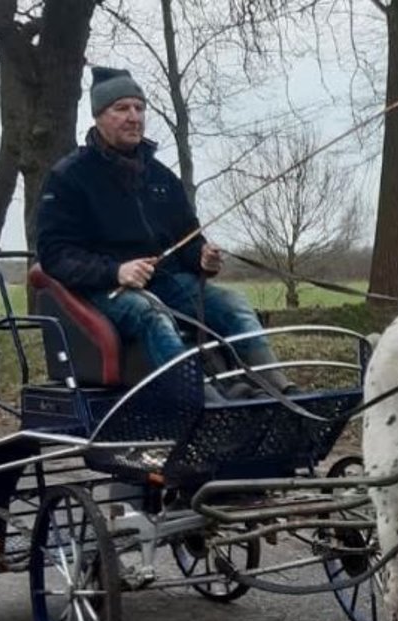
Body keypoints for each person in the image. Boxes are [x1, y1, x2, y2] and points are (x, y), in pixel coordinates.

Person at [36, 66, 293, 398]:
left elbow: (188, 235)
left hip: (168, 283)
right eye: (121, 109)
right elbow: (55, 254)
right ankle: (204, 403)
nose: (134, 117)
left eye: (139, 108)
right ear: (99, 116)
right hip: (101, 292)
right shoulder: (68, 177)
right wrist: (116, 271)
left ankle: (280, 393)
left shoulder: (160, 177)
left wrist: (202, 258)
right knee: (151, 314)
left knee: (233, 304)